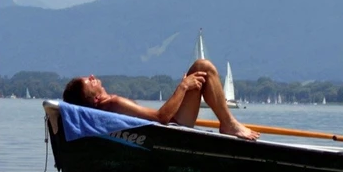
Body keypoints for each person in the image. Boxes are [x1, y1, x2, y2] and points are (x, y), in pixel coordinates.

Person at [62, 59, 260, 140]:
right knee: (204, 67)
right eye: (88, 82)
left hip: (168, 126)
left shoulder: (108, 105)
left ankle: (228, 122)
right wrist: (183, 87)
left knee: (202, 69)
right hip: (169, 131)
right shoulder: (112, 103)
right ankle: (228, 123)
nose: (91, 76)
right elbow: (160, 118)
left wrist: (185, 88)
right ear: (95, 98)